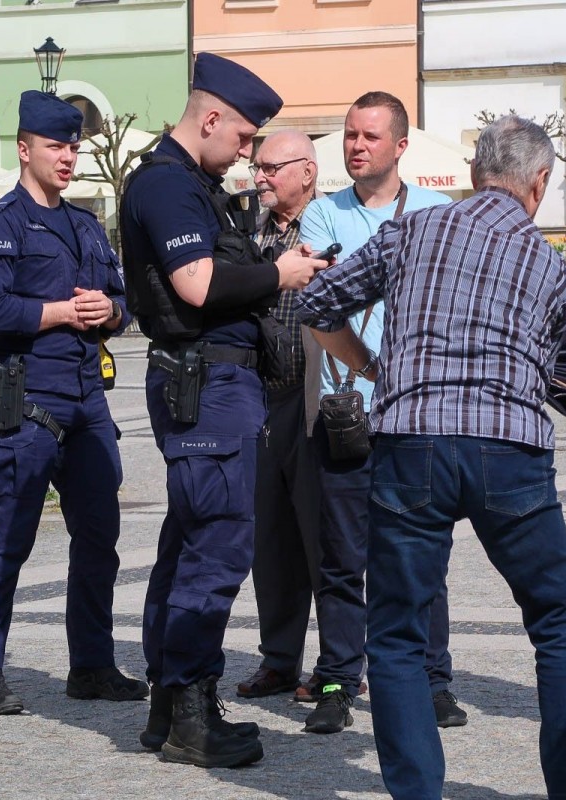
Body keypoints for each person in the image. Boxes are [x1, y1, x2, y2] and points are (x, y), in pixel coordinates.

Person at [295, 114, 566, 800]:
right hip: (507, 451)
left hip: (411, 444)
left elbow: (317, 302)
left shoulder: (411, 228)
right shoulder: (546, 263)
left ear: (477, 171)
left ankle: (418, 793)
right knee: (559, 620)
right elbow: (560, 379)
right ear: (538, 183)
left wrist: (373, 367)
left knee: (394, 632)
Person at [119, 53, 328, 769]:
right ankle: (188, 708)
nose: (248, 154)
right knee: (217, 545)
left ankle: (171, 705)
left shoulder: (194, 185)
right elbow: (198, 283)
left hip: (214, 381)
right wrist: (283, 272)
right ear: (209, 118)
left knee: (191, 540)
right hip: (208, 383)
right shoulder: (171, 186)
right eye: (242, 137)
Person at [0, 91, 144, 716]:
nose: (69, 157)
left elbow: (122, 301)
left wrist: (109, 311)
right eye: (56, 146)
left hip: (88, 402)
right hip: (27, 403)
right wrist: (62, 311)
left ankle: (90, 665)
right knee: (7, 538)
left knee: (99, 538)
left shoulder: (87, 224)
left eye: (75, 146)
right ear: (24, 148)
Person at [297, 90, 466, 735]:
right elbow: (320, 302)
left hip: (417, 415)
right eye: (349, 135)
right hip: (346, 406)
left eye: (369, 136)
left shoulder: (437, 211)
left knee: (422, 556)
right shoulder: (322, 215)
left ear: (400, 146)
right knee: (341, 557)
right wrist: (372, 367)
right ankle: (340, 676)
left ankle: (433, 680)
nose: (356, 146)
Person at [235, 130, 327, 701]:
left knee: (326, 538)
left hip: (317, 399)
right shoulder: (249, 234)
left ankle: (341, 659)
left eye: (271, 168)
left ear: (307, 172)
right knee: (270, 540)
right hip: (261, 397)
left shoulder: (330, 226)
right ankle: (279, 659)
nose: (260, 177)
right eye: (256, 167)